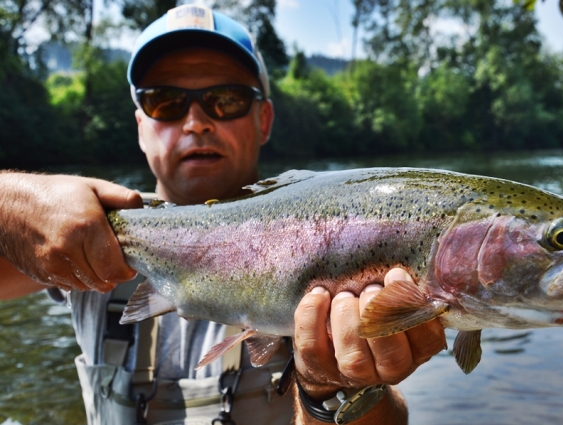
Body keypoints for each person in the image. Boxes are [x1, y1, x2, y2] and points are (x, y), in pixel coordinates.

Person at [0, 4, 445, 425]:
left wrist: (331, 387)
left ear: (264, 119)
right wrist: (16, 203)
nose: (196, 121)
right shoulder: (81, 231)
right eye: (165, 101)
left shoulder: (333, 237)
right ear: (140, 127)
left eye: (226, 99)